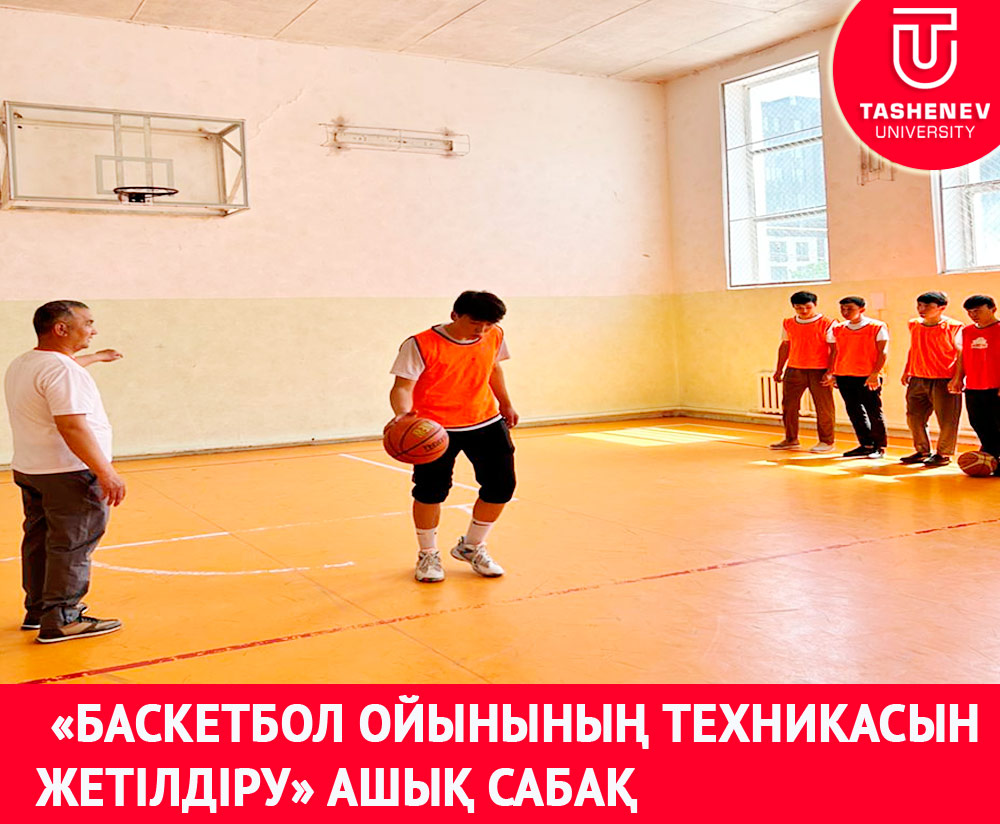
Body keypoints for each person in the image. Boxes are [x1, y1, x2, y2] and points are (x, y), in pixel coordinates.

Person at [4, 301, 126, 643]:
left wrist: (97, 357)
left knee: (39, 540)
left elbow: (65, 369)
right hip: (69, 473)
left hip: (33, 470)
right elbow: (72, 426)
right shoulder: (63, 371)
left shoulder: (26, 362)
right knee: (72, 544)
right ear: (61, 328)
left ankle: (39, 610)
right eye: (87, 323)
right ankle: (62, 619)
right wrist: (106, 472)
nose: (93, 330)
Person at [388, 291, 518, 583]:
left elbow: (493, 368)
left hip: (485, 420)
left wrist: (506, 403)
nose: (481, 330)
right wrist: (404, 416)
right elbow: (402, 386)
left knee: (501, 487)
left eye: (488, 324)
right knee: (430, 491)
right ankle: (428, 553)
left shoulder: (494, 335)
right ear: (454, 315)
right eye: (475, 323)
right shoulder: (420, 344)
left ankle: (471, 546)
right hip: (434, 428)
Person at [899, 291, 963, 467]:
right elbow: (914, 348)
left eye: (927, 306)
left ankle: (944, 454)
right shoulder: (914, 324)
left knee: (947, 419)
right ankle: (922, 451)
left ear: (941, 308)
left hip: (944, 378)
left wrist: (958, 378)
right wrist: (907, 370)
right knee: (914, 417)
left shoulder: (954, 326)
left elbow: (961, 353)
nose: (921, 309)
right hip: (917, 377)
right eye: (919, 305)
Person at [823, 296, 889, 458]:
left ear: (862, 309)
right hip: (845, 375)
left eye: (850, 309)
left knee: (874, 411)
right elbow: (836, 352)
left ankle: (879, 446)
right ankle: (865, 444)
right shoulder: (838, 328)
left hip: (867, 376)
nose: (845, 312)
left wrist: (875, 374)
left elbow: (883, 352)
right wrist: (834, 373)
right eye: (843, 309)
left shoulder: (876, 326)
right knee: (854, 411)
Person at [770, 290, 836, 452]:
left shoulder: (828, 323)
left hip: (819, 370)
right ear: (793, 307)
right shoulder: (788, 323)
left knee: (824, 407)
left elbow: (835, 349)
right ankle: (791, 439)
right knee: (789, 406)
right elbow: (785, 345)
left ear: (815, 305)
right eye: (799, 308)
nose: (804, 311)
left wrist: (831, 371)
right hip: (794, 369)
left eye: (808, 307)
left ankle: (827, 441)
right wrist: (779, 369)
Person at [949, 295, 1000, 473]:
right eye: (969, 312)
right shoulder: (967, 331)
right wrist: (957, 378)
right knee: (979, 423)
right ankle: (991, 457)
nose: (973, 315)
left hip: (995, 386)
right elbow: (962, 356)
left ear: (993, 309)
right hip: (973, 386)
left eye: (977, 311)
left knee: (998, 424)